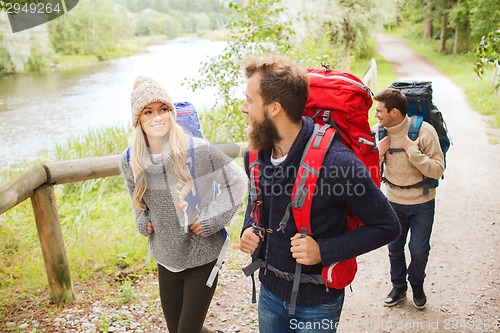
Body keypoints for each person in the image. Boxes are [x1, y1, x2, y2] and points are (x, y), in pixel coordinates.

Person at [238, 55, 401, 332]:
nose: (243, 108)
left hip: (318, 302)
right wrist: (248, 228)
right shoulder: (255, 155)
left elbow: (388, 226)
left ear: (274, 108)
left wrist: (324, 251)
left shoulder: (337, 163)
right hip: (269, 291)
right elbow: (258, 201)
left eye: (249, 100)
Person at [120, 76, 247, 333]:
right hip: (167, 257)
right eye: (148, 112)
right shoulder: (130, 159)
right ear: (138, 120)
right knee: (179, 329)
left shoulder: (198, 150)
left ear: (172, 113)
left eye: (163, 109)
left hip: (203, 256)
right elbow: (136, 195)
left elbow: (238, 182)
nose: (158, 117)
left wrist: (213, 218)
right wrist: (142, 220)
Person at [373, 88, 445, 310]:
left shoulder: (425, 131)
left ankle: (417, 284)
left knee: (418, 249)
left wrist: (414, 153)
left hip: (422, 202)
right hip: (393, 200)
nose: (376, 116)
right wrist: (378, 153)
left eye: (379, 111)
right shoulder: (378, 133)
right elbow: (365, 171)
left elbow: (438, 169)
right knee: (394, 248)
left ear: (394, 112)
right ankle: (398, 287)